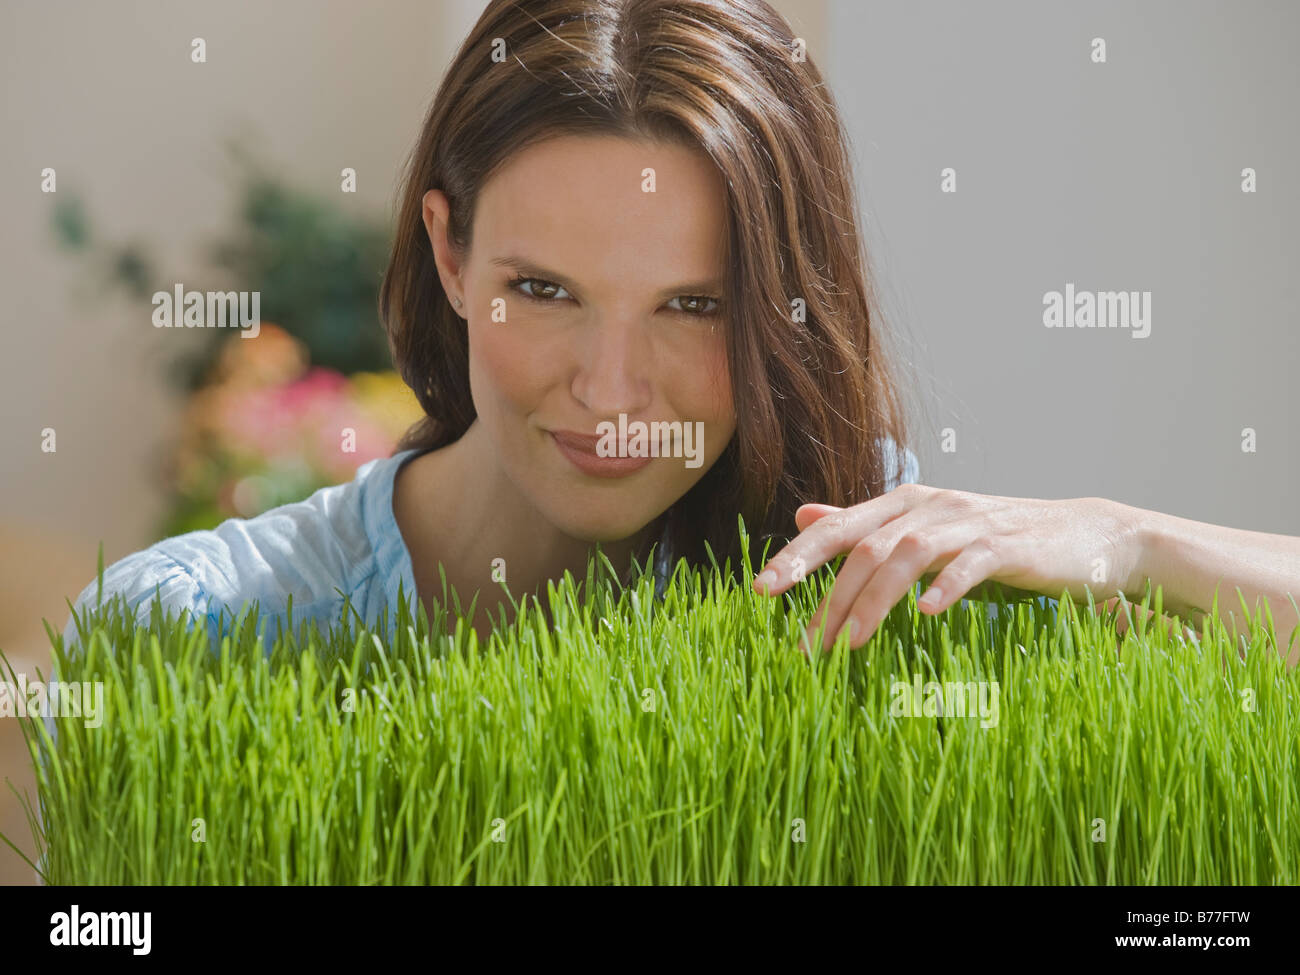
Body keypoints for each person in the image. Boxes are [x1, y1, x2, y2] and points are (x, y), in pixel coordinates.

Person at [61, 0, 1300, 667]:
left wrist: (1126, 539)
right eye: (542, 291)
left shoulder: (867, 567)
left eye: (694, 307)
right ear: (446, 252)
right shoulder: (199, 627)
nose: (612, 391)